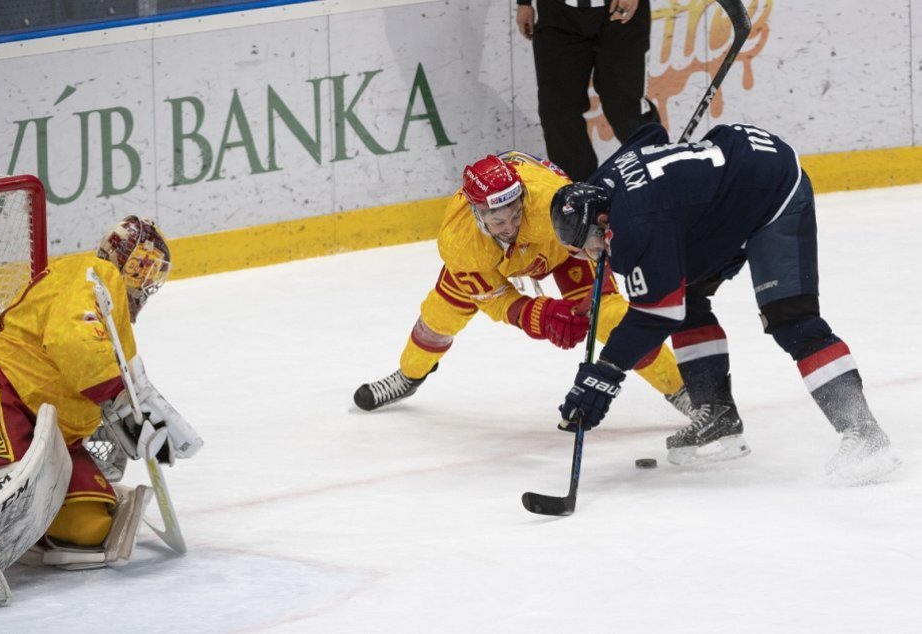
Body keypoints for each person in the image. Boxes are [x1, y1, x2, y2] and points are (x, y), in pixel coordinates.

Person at [549, 121, 900, 482]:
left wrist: (605, 373)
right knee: (684, 293)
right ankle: (717, 415)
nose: (595, 254)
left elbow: (655, 315)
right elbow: (650, 134)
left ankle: (865, 433)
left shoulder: (637, 225)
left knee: (791, 319)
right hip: (737, 170)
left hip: (774, 187)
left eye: (592, 243)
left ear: (604, 218)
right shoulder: (601, 184)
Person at [354, 151, 696, 423]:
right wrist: (540, 314)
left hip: (561, 246)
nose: (510, 227)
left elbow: (595, 221)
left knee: (611, 318)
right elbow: (496, 300)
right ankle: (409, 375)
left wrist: (599, 244)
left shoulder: (550, 203)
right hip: (494, 264)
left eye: (516, 214)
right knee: (438, 316)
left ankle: (683, 391)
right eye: (498, 220)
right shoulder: (460, 242)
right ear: (477, 214)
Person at [0, 216, 203, 609]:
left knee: (89, 527)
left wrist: (138, 417)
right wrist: (118, 401)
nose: (145, 280)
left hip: (51, 430)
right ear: (119, 257)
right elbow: (74, 341)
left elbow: (126, 381)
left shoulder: (111, 307)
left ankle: (23, 530)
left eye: (152, 271)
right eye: (141, 265)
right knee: (3, 488)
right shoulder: (92, 274)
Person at [515, 0, 660, 182]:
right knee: (558, 111)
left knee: (626, 108)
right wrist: (524, 3)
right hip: (557, 13)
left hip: (619, 12)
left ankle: (660, 178)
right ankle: (581, 197)